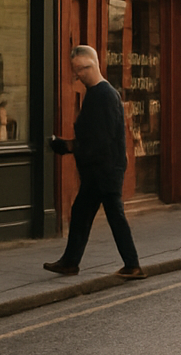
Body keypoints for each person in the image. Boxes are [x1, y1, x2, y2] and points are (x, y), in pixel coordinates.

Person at [43, 46, 145, 282]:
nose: (78, 74)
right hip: (98, 170)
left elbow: (102, 138)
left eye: (82, 68)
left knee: (112, 215)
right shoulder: (96, 93)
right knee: (82, 214)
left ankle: (132, 265)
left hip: (104, 170)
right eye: (75, 70)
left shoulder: (104, 94)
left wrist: (69, 146)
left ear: (95, 65)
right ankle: (71, 262)